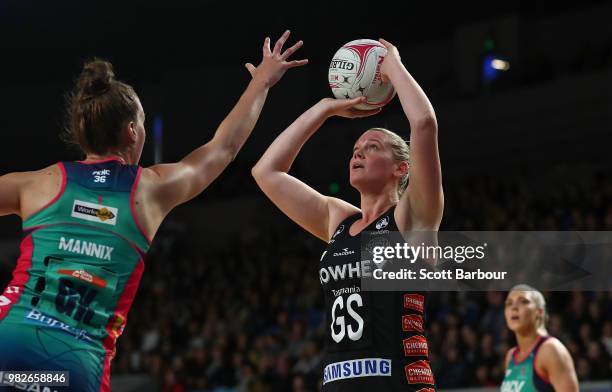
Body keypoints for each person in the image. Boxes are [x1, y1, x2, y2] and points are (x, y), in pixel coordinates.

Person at [0, 30, 306, 391]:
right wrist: (261, 82)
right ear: (132, 131)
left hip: (9, 344)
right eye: (143, 123)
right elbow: (224, 148)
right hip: (73, 364)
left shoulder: (38, 183)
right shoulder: (149, 189)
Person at [252, 39, 443, 391]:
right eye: (356, 149)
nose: (359, 153)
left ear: (402, 168)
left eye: (373, 147)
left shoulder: (411, 219)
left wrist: (394, 67)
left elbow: (425, 125)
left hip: (398, 383)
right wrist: (324, 110)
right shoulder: (338, 220)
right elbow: (267, 172)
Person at [502, 285, 579, 392]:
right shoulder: (511, 356)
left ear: (539, 312)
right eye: (509, 303)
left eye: (523, 301)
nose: (514, 307)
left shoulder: (550, 350)